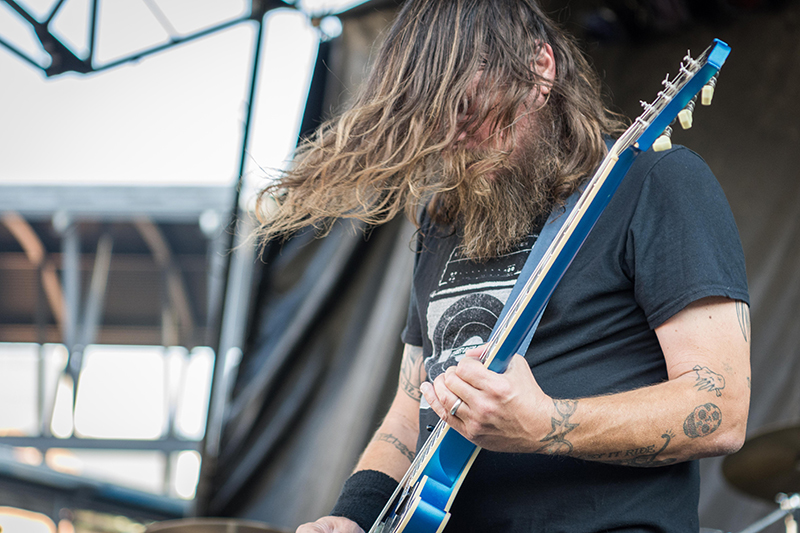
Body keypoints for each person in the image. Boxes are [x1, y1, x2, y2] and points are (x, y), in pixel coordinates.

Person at [255, 1, 751, 531]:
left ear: (540, 69)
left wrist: (544, 424)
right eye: (433, 122)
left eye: (467, 109)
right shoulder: (443, 221)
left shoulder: (657, 184)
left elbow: (721, 407)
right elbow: (410, 409)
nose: (452, 139)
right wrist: (352, 517)